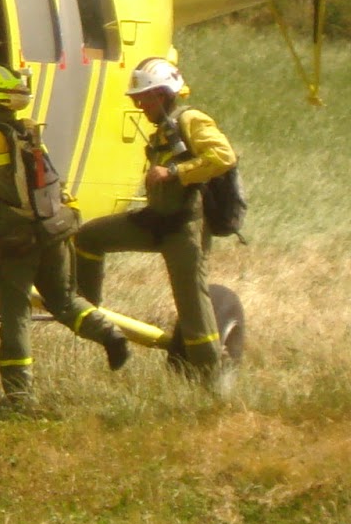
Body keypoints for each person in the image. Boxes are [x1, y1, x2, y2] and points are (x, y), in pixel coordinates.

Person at [0, 64, 130, 413]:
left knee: (15, 311)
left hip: (19, 238)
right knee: (65, 301)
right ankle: (109, 332)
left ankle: (19, 398)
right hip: (55, 228)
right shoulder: (30, 131)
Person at [74, 56, 237, 388]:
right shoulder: (162, 129)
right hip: (154, 221)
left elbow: (223, 156)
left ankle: (211, 379)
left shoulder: (191, 119)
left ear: (162, 94)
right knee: (89, 238)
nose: (137, 102)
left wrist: (175, 171)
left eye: (143, 95)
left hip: (183, 230)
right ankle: (88, 314)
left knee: (193, 305)